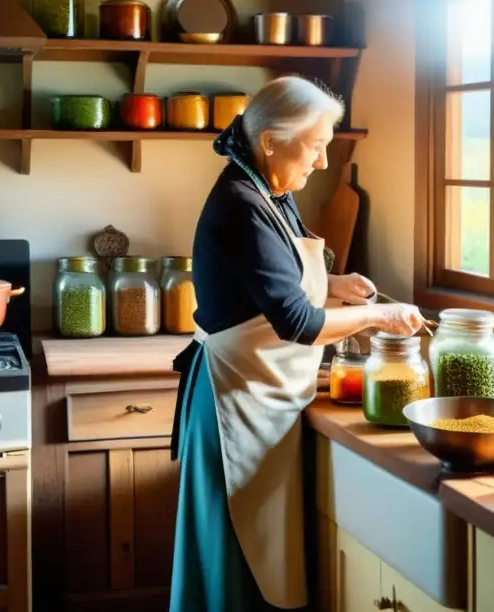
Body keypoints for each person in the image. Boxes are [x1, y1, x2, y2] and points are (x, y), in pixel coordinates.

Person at [168, 76, 424, 611]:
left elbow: (266, 281)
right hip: (234, 406)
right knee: (236, 565)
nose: (324, 162)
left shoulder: (268, 190)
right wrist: (380, 315)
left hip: (262, 398)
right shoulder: (242, 202)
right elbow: (295, 321)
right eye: (316, 145)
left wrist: (334, 284)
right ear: (270, 141)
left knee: (259, 558)